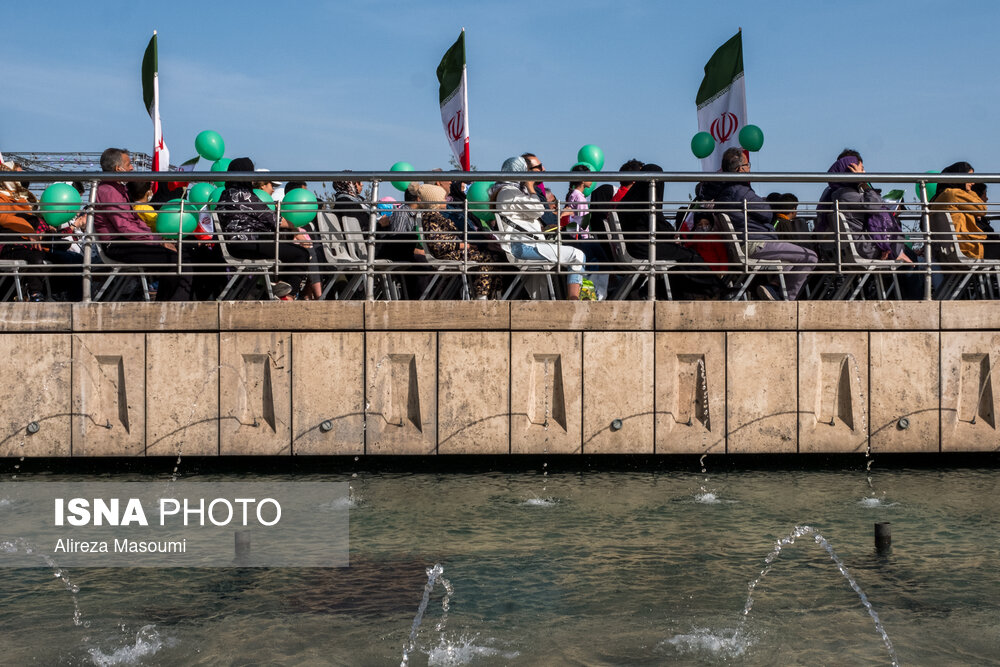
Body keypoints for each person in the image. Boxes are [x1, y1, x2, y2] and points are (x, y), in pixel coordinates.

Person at [698, 147, 816, 300]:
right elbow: (766, 213)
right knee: (810, 256)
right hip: (755, 244)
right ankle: (785, 300)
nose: (749, 169)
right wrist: (762, 201)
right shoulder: (740, 190)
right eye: (748, 166)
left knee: (790, 263)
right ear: (741, 169)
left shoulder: (725, 191)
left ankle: (773, 288)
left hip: (743, 243)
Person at [816, 150, 919, 298]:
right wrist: (864, 183)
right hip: (862, 249)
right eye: (860, 169)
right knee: (911, 260)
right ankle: (912, 303)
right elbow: (876, 206)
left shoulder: (832, 193)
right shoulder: (847, 194)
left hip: (848, 248)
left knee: (903, 257)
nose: (864, 172)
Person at [93, 147, 194, 301]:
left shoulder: (118, 188)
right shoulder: (109, 191)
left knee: (181, 258)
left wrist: (156, 239)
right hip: (117, 245)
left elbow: (133, 222)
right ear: (117, 169)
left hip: (125, 242)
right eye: (128, 164)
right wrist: (156, 241)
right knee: (175, 261)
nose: (132, 167)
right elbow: (125, 227)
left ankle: (168, 305)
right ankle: (171, 308)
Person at [490, 156, 586, 299]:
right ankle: (574, 302)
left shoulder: (508, 191)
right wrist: (530, 187)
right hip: (522, 246)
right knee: (577, 256)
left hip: (527, 244)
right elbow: (537, 210)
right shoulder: (508, 192)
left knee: (541, 292)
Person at [216, 157, 310, 299]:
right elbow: (273, 219)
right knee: (300, 253)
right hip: (247, 244)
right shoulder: (244, 195)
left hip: (233, 245)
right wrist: (294, 228)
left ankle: (280, 287)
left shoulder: (224, 195)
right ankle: (288, 297)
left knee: (284, 251)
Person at [0, 162, 84, 300]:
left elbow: (34, 222)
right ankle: (41, 295)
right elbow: (5, 218)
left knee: (75, 259)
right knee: (44, 259)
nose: (23, 178)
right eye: (18, 173)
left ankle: (75, 299)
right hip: (13, 244)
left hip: (33, 244)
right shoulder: (2, 197)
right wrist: (30, 232)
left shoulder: (24, 198)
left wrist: (47, 230)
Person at [932, 161, 986, 260]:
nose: (973, 183)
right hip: (966, 249)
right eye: (970, 178)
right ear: (960, 177)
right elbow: (982, 209)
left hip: (946, 252)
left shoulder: (939, 197)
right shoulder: (955, 194)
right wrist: (970, 192)